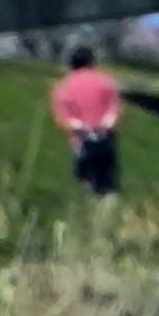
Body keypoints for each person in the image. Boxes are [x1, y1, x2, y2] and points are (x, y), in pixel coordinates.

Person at [51, 37, 125, 200]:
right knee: (108, 177)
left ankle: (91, 204)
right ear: (92, 61)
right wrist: (105, 124)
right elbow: (113, 108)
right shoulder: (105, 81)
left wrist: (82, 127)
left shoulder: (63, 87)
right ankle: (110, 201)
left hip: (81, 140)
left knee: (86, 178)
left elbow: (65, 118)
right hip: (105, 137)